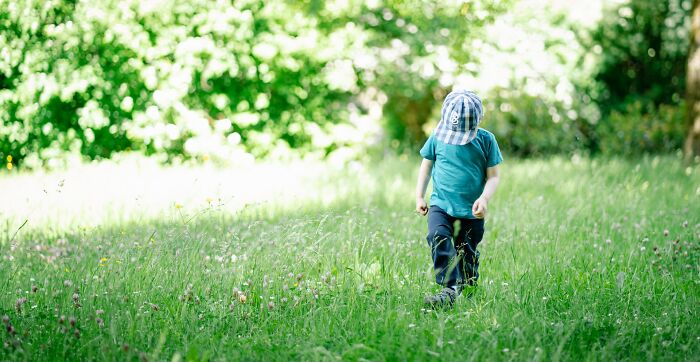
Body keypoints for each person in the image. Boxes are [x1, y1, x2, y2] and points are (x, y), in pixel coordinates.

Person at [415, 89, 502, 308]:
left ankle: (468, 286)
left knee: (466, 252)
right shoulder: (437, 136)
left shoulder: (486, 140)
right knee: (438, 236)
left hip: (471, 210)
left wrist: (484, 198)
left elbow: (493, 177)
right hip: (441, 204)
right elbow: (426, 168)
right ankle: (449, 288)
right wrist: (419, 196)